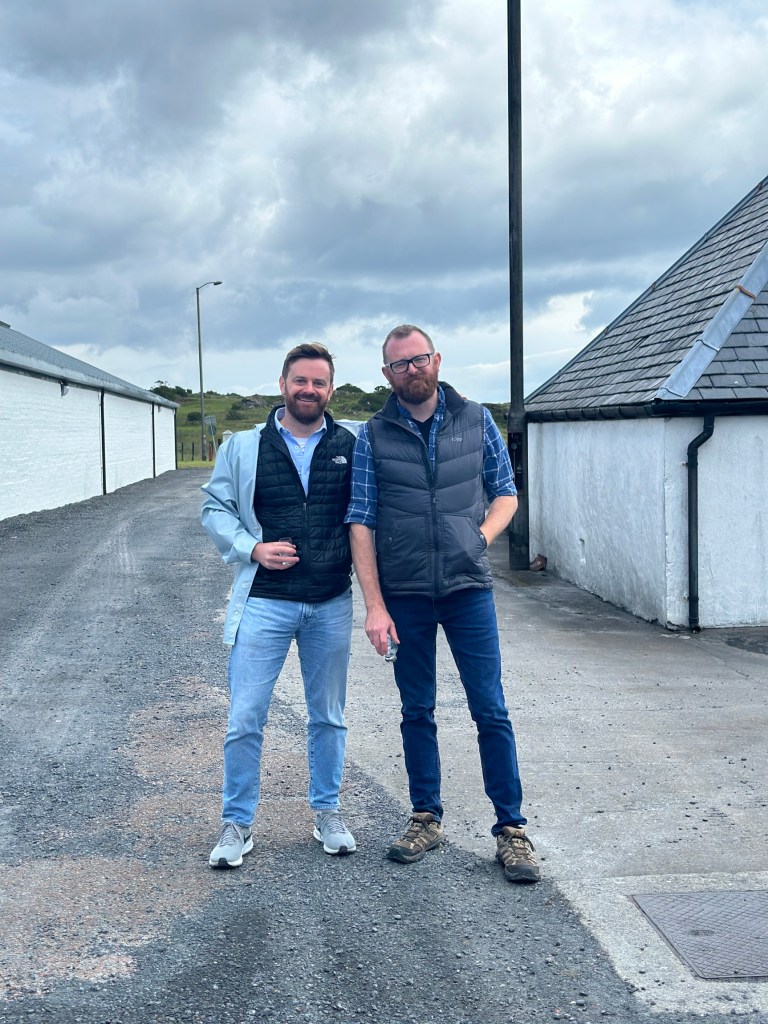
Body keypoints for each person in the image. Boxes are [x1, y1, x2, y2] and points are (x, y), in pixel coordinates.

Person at [345, 324, 540, 883]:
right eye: (400, 364)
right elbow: (361, 519)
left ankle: (511, 830)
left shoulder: (477, 420)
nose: (412, 369)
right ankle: (425, 817)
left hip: (467, 590)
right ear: (387, 374)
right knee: (417, 709)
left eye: (419, 359)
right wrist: (374, 605)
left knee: (490, 708)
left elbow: (506, 493)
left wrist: (478, 539)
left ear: (436, 359)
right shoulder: (372, 435)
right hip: (404, 593)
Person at [201, 343, 357, 867]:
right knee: (245, 716)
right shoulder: (243, 446)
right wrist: (252, 548)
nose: (309, 390)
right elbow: (215, 507)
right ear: (283, 384)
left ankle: (328, 812)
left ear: (330, 389)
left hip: (330, 601)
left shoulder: (351, 443)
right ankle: (236, 823)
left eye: (319, 382)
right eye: (300, 381)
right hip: (264, 602)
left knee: (328, 716)